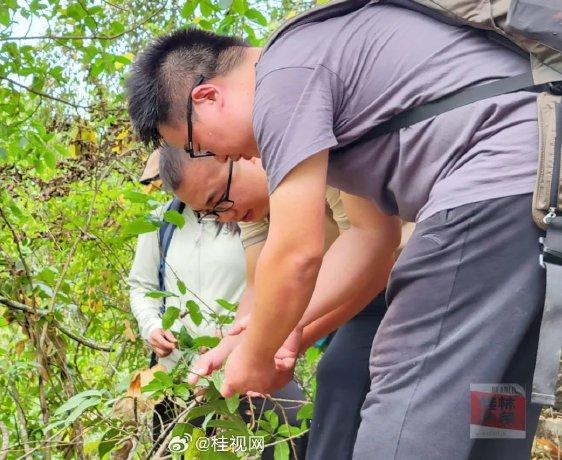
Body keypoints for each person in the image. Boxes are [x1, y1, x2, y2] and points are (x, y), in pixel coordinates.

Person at [125, 5, 546, 459]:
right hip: (531, 176)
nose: (221, 154)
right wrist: (284, 330)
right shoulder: (327, 86)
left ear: (208, 98)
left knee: (404, 384)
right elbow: (371, 238)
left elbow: (296, 253)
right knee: (494, 394)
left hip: (493, 176)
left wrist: (253, 358)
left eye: (201, 146)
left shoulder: (281, 75)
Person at [158, 144, 396, 459]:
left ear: (240, 154)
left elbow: (377, 260)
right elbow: (259, 287)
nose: (225, 214)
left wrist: (278, 342)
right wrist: (229, 349)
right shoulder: (249, 206)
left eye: (219, 198)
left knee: (340, 377)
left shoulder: (314, 158)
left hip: (412, 274)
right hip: (362, 297)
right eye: (212, 212)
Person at [127, 152, 308, 458]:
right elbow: (141, 285)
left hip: (245, 362)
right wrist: (152, 326)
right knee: (183, 450)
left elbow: (268, 285)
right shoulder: (161, 224)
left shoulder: (246, 214)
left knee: (285, 438)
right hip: (181, 376)